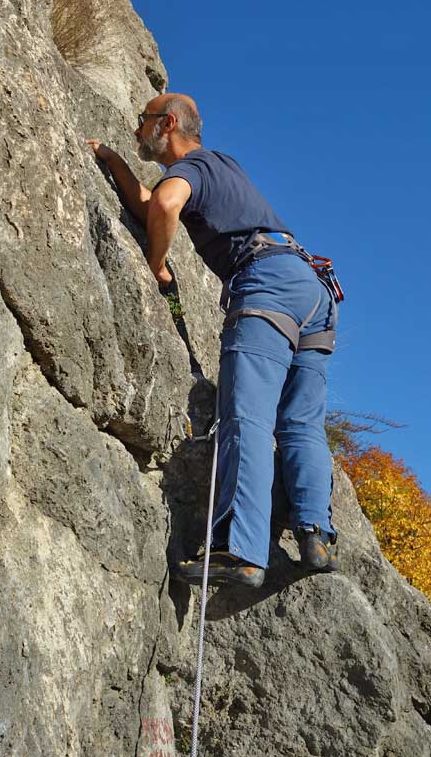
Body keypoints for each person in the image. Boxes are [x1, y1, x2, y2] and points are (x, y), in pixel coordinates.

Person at [86, 92, 338, 588]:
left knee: (246, 416)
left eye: (143, 121)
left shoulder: (195, 166)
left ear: (168, 123)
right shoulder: (220, 167)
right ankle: (317, 535)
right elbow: (150, 203)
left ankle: (241, 552)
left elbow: (164, 203)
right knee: (301, 423)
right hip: (312, 288)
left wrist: (157, 264)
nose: (138, 129)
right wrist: (114, 161)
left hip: (264, 284)